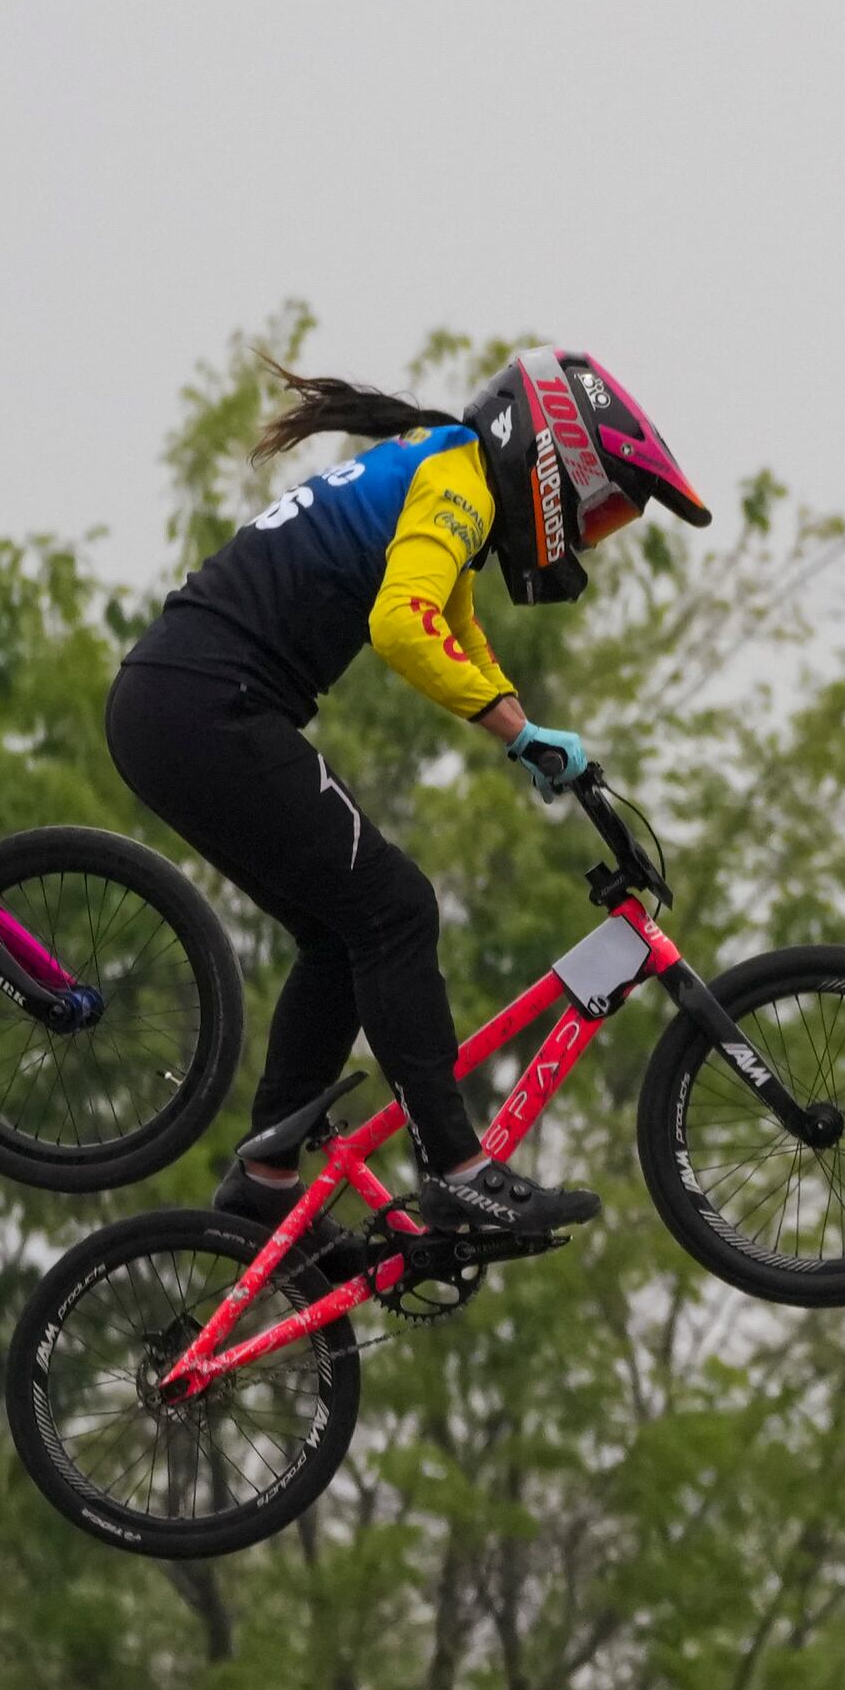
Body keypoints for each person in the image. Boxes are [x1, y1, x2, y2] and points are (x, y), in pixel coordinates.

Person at [104, 350, 712, 1239]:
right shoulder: (457, 483)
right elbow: (403, 624)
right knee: (397, 909)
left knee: (342, 931)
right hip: (206, 707)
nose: (590, 535)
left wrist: (532, 736)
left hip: (173, 708)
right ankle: (457, 1169)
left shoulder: (441, 467)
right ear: (554, 464)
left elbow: (456, 630)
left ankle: (267, 1179)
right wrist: (517, 734)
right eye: (600, 509)